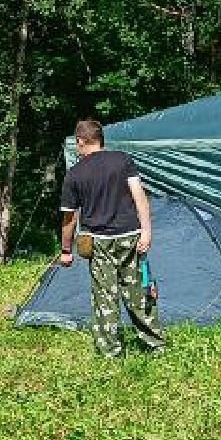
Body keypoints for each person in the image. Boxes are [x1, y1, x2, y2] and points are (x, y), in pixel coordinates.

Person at [58, 120, 165, 358]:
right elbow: (140, 197)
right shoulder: (123, 160)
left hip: (99, 242)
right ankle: (156, 345)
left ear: (81, 142)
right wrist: (147, 231)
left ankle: (110, 353)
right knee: (138, 292)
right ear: (101, 139)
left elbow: (69, 218)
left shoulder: (75, 174)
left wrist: (66, 250)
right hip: (130, 237)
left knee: (105, 296)